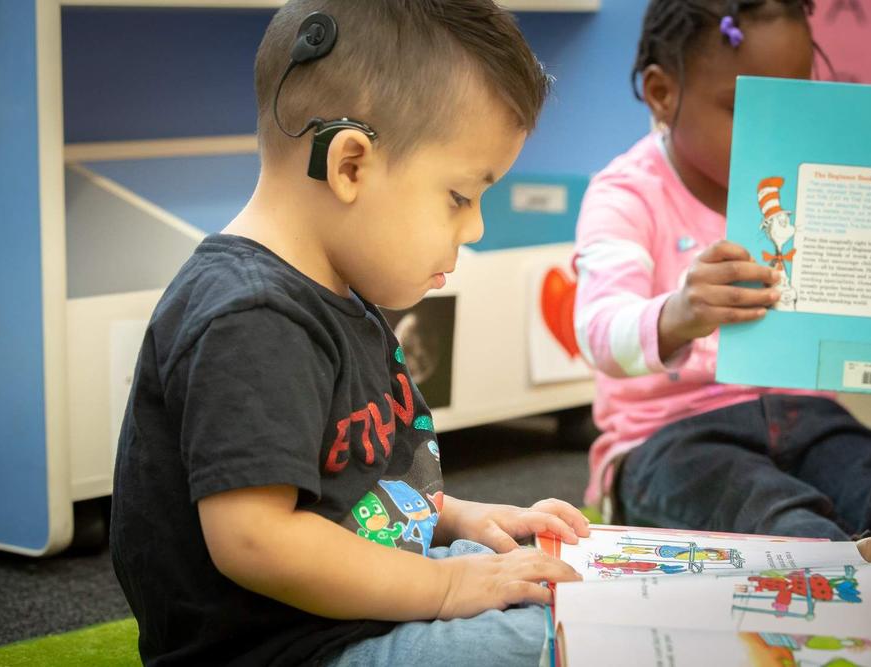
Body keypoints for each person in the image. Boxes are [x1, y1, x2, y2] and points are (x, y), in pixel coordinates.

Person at [109, 2, 591, 665]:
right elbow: (256, 540)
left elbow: (358, 489)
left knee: (546, 574)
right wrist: (449, 582)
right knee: (556, 636)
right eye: (459, 196)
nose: (475, 227)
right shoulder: (251, 319)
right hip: (291, 648)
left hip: (357, 612)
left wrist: (461, 518)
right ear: (351, 166)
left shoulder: (339, 291)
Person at [572, 2, 871, 663]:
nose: (780, 130)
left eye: (797, 103)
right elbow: (598, 331)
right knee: (776, 509)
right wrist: (677, 312)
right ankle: (868, 610)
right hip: (674, 437)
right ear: (664, 94)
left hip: (806, 412)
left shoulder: (815, 183)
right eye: (747, 109)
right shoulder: (626, 193)